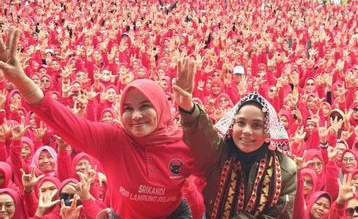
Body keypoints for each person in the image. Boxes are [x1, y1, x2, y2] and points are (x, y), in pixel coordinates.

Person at [0, 27, 194, 218]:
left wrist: (189, 108)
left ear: (161, 108)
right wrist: (21, 80)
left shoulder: (183, 141)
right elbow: (64, 120)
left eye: (145, 106)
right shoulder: (113, 139)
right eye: (127, 108)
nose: (136, 115)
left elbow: (214, 174)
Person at [172, 57, 297, 218]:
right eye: (241, 122)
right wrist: (188, 108)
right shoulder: (220, 152)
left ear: (268, 133)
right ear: (232, 127)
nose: (246, 131)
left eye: (256, 125)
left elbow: (279, 215)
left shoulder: (287, 169)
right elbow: (202, 140)